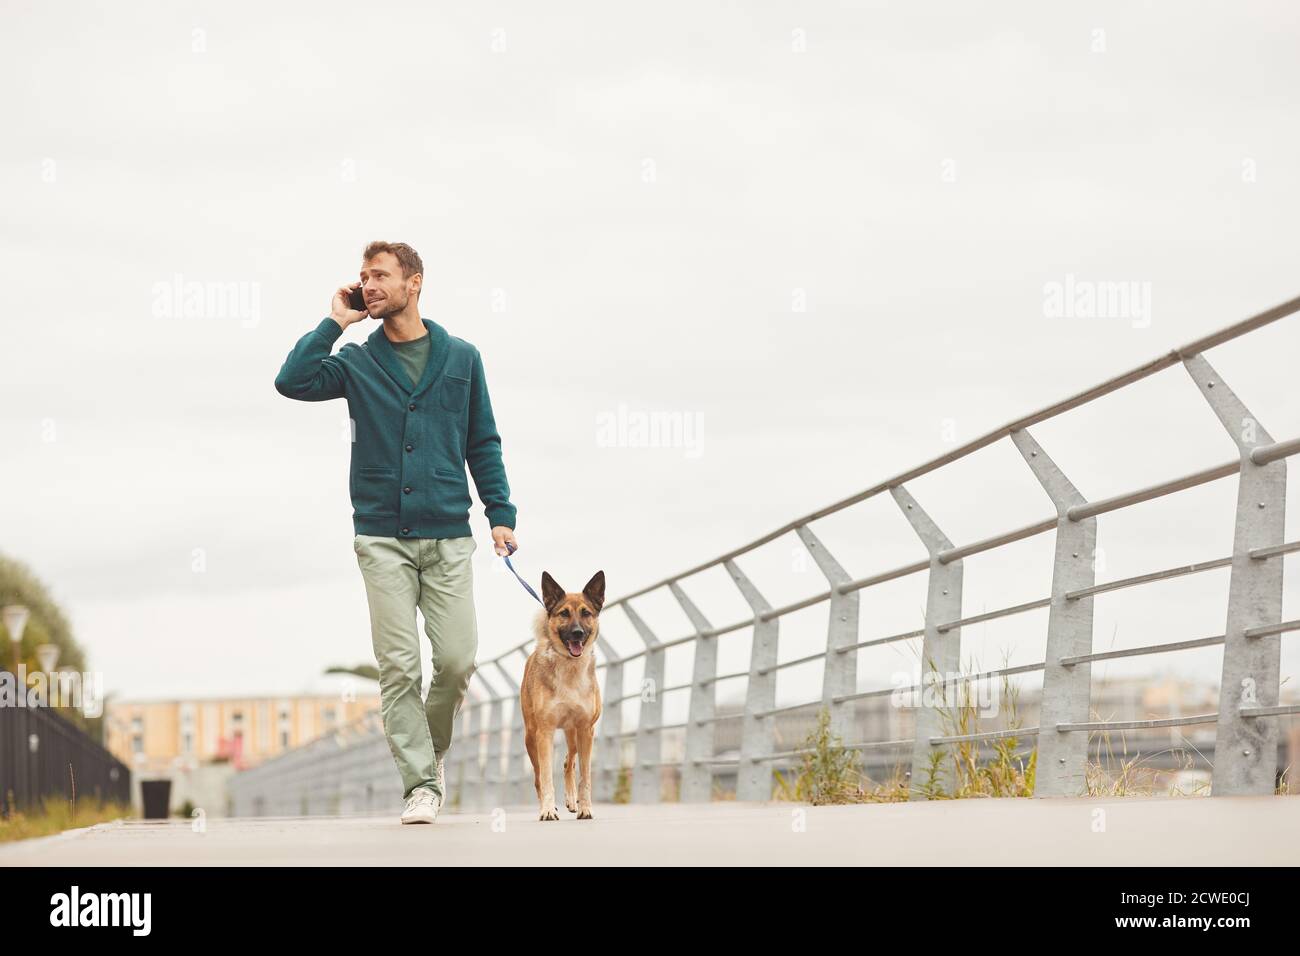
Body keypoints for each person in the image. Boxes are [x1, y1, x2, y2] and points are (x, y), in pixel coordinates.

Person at [274, 240, 519, 824]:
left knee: (458, 661)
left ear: (415, 283)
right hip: (381, 536)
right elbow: (292, 381)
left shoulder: (462, 358)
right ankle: (419, 784)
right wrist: (335, 322)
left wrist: (500, 513)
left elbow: (481, 440)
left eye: (380, 275)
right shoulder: (358, 361)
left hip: (448, 534)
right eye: (364, 277)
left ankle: (428, 754)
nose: (370, 284)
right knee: (400, 666)